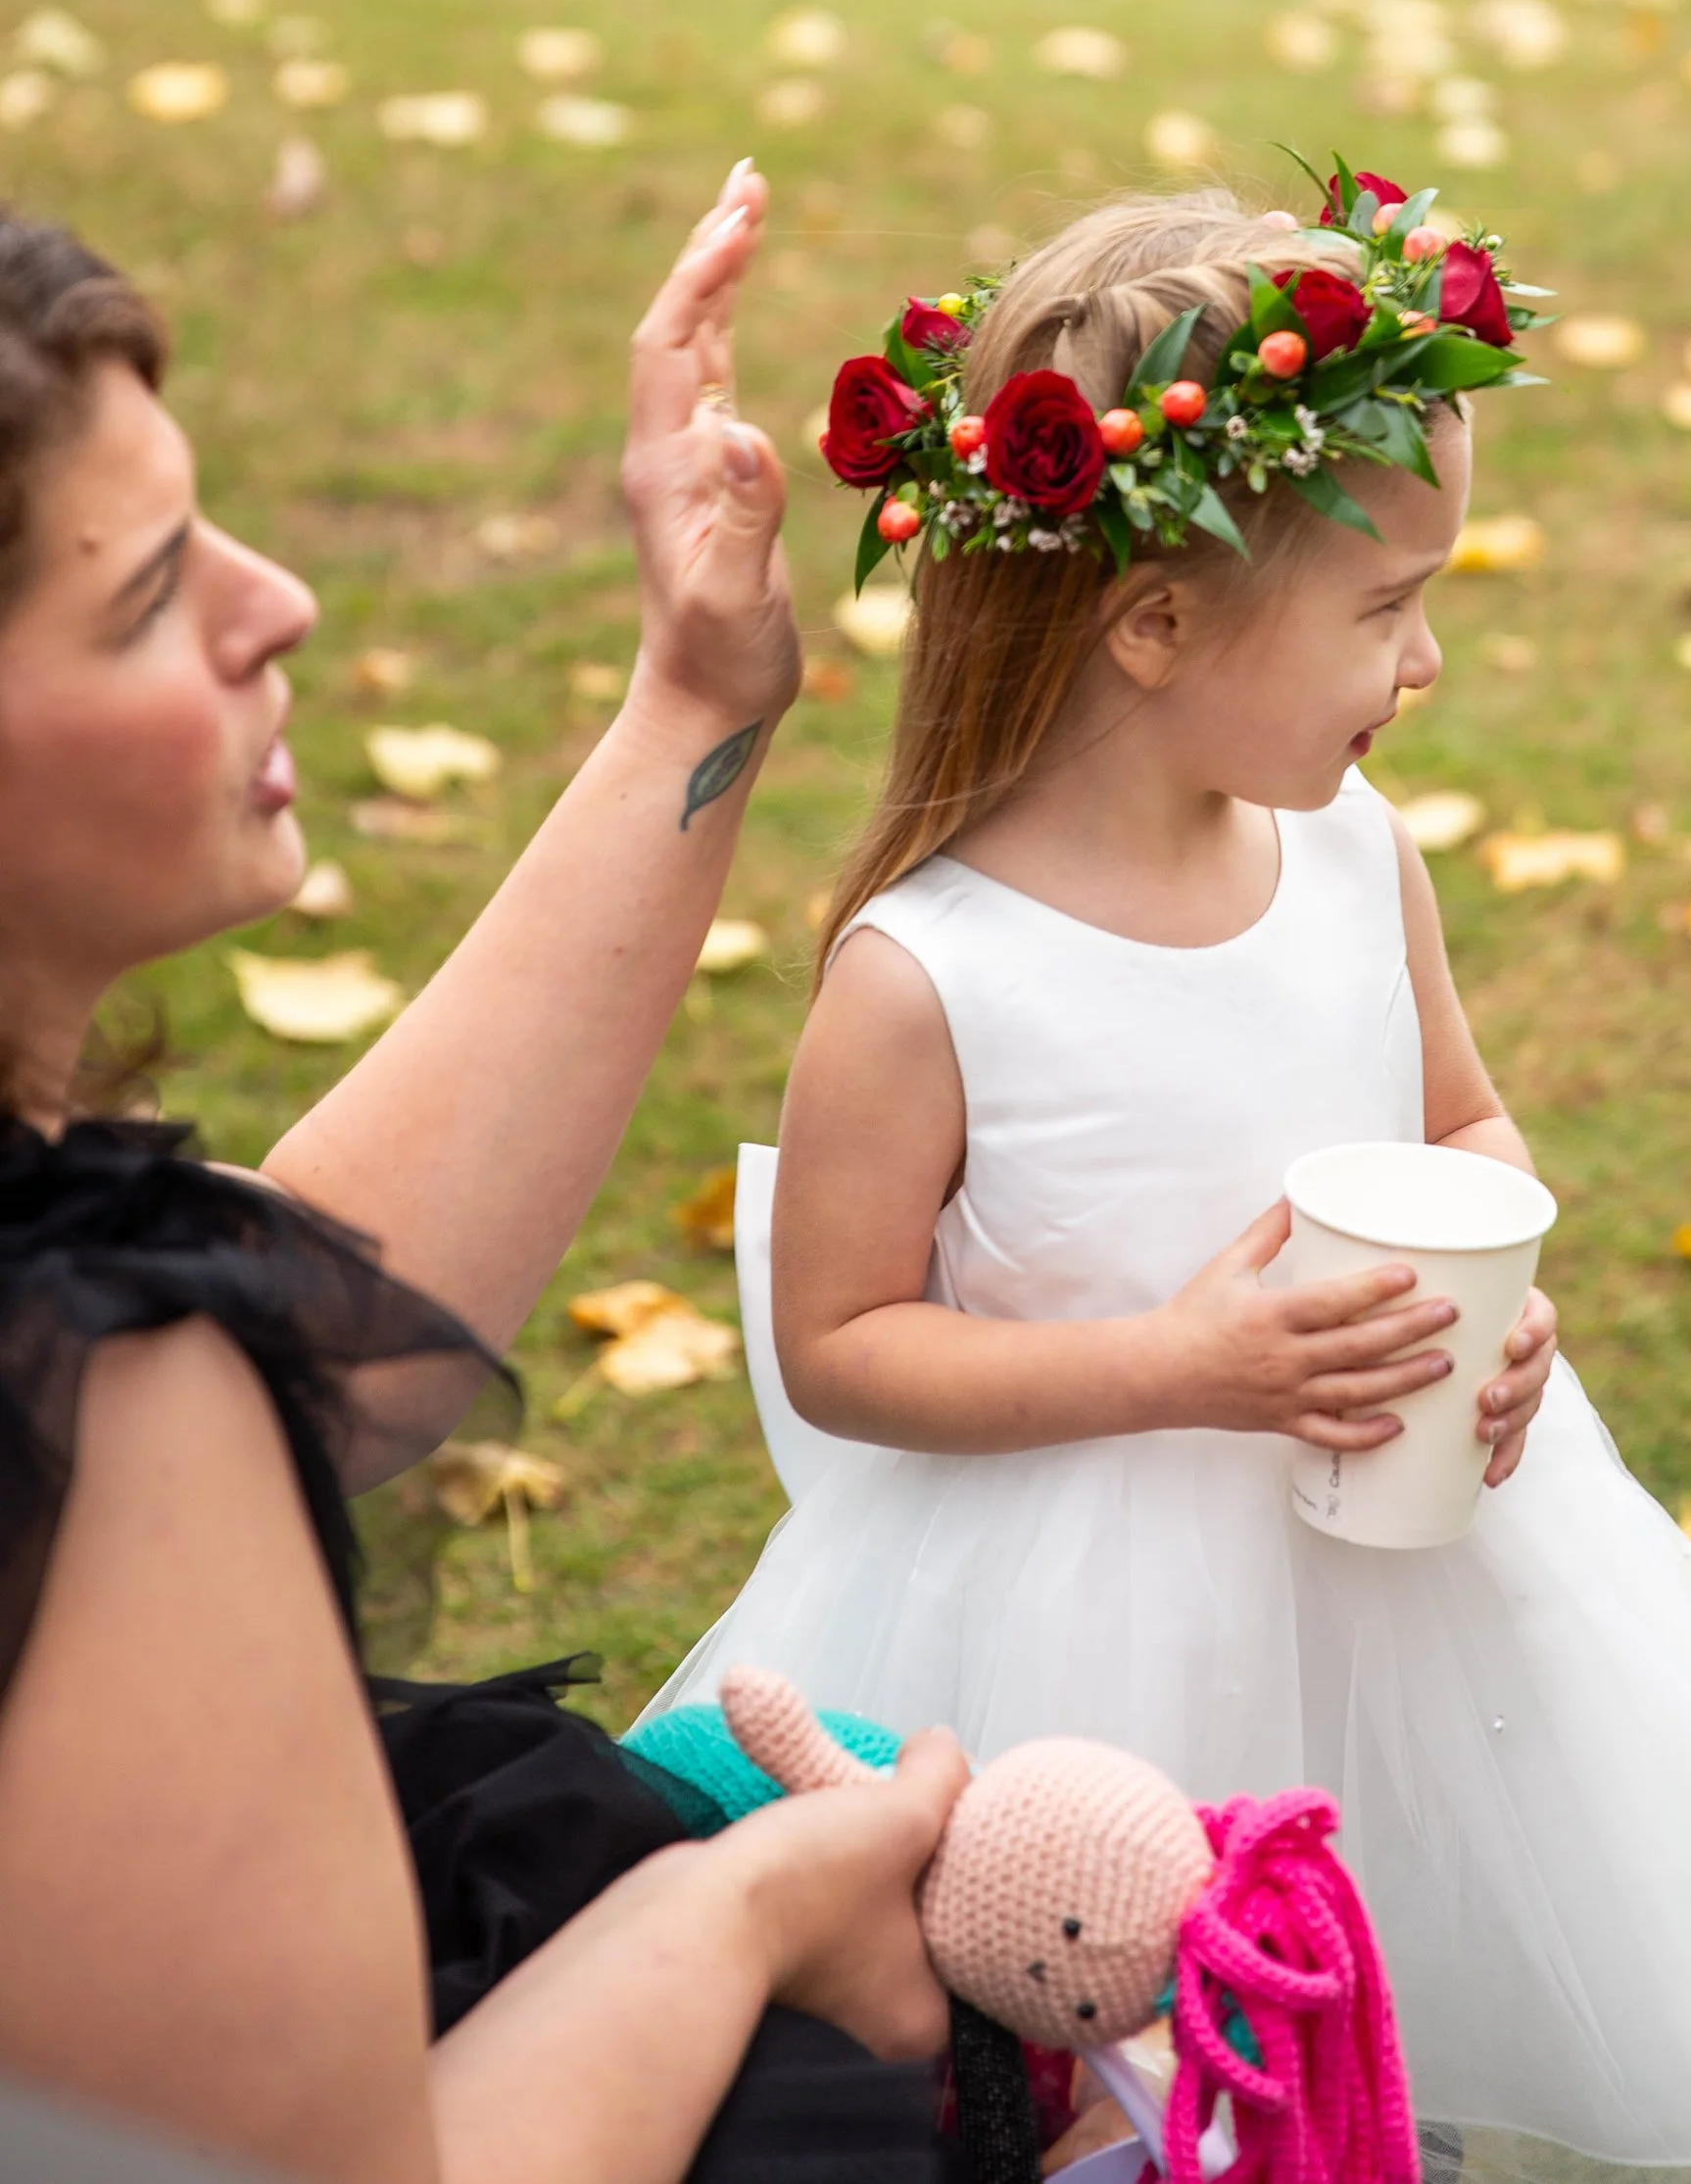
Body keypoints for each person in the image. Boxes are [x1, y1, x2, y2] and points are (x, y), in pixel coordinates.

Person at [644, 172, 1691, 2184]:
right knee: (1090, 2031)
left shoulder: (1357, 854)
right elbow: (843, 1348)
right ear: (1155, 619)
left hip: (1403, 1550)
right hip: (1076, 1611)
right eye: (1382, 609)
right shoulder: (932, 973)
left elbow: (1457, 1118)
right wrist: (1178, 1366)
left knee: (1415, 1926)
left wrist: (1501, 1284)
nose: (1428, 659)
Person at [0, 179, 970, 2184]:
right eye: (152, 591)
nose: (280, 604)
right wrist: (750, 1906)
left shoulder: (105, 1341)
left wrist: (695, 703)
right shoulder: (103, 1386)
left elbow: (321, 1342)